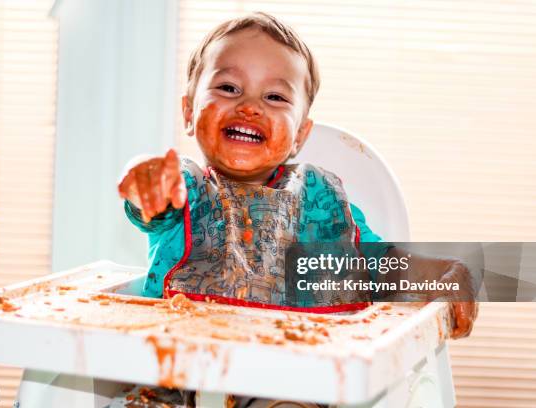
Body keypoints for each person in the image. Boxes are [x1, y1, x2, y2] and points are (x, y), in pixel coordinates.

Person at [115, 12, 477, 407]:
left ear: (300, 135)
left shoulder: (319, 205)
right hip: (173, 374)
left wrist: (442, 275)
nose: (250, 106)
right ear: (188, 112)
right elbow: (152, 203)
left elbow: (380, 265)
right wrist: (146, 183)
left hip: (286, 381)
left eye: (274, 97)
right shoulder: (183, 190)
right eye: (228, 87)